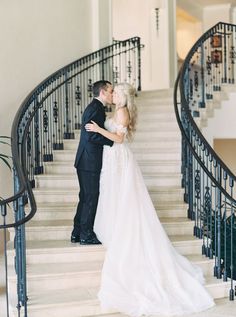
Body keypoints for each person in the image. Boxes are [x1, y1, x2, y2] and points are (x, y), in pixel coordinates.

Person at [85, 83, 215, 316]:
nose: (112, 93)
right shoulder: (116, 111)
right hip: (112, 159)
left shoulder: (122, 112)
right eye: (111, 91)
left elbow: (119, 139)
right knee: (113, 195)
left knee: (124, 198)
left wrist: (97, 130)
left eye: (115, 92)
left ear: (122, 96)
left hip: (120, 158)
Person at [71, 80, 114, 245]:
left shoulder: (94, 107)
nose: (112, 94)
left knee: (85, 197)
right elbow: (91, 135)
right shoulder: (96, 108)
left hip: (85, 160)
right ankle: (86, 235)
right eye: (110, 91)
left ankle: (77, 232)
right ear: (102, 92)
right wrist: (112, 141)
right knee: (90, 197)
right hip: (89, 162)